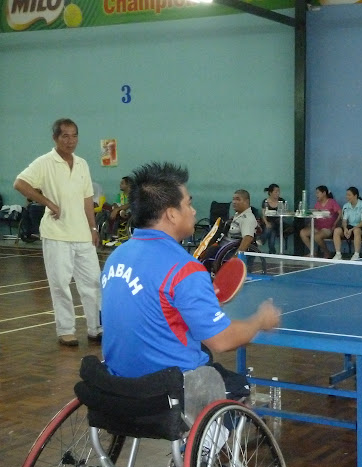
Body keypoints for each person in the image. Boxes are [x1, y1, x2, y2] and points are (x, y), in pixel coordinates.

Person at [100, 162, 280, 420]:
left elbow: (147, 312)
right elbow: (222, 340)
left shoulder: (116, 258)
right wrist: (260, 321)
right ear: (172, 214)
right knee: (237, 385)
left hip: (117, 385)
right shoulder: (185, 269)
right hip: (170, 389)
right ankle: (212, 442)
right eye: (188, 204)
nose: (194, 211)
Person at [13, 118, 103, 347]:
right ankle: (66, 330)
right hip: (56, 235)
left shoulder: (82, 164)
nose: (70, 141)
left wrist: (93, 228)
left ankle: (96, 328)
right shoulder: (45, 162)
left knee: (93, 283)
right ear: (55, 138)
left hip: (83, 235)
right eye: (65, 136)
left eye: (74, 136)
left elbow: (87, 199)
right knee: (60, 284)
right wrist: (48, 202)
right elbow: (20, 183)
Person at [300, 185, 341, 257]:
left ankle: (327, 252)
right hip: (317, 227)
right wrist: (310, 223)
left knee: (317, 237)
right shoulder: (317, 204)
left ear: (324, 193)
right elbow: (314, 215)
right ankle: (313, 251)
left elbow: (340, 213)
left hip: (328, 228)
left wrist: (335, 223)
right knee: (303, 232)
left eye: (318, 193)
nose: (316, 195)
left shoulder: (332, 202)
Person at [332, 186, 362, 260]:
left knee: (356, 230)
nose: (347, 197)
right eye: (346, 195)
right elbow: (344, 220)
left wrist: (352, 229)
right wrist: (345, 229)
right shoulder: (346, 206)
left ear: (355, 196)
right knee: (337, 230)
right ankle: (338, 254)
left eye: (349, 195)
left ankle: (356, 255)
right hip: (350, 227)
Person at [258, 184, 290, 254]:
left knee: (272, 226)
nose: (278, 193)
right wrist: (266, 223)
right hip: (268, 223)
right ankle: (272, 251)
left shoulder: (281, 201)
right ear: (270, 193)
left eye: (278, 191)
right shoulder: (266, 202)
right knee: (272, 232)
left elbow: (284, 212)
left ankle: (262, 240)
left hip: (279, 223)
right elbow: (263, 215)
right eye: (276, 192)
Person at [107, 176, 133, 240]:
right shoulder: (120, 195)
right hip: (120, 214)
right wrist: (117, 210)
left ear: (128, 185)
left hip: (130, 214)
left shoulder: (133, 195)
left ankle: (113, 233)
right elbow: (115, 204)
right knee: (108, 210)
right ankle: (111, 234)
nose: (120, 185)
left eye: (122, 183)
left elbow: (129, 204)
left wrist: (118, 210)